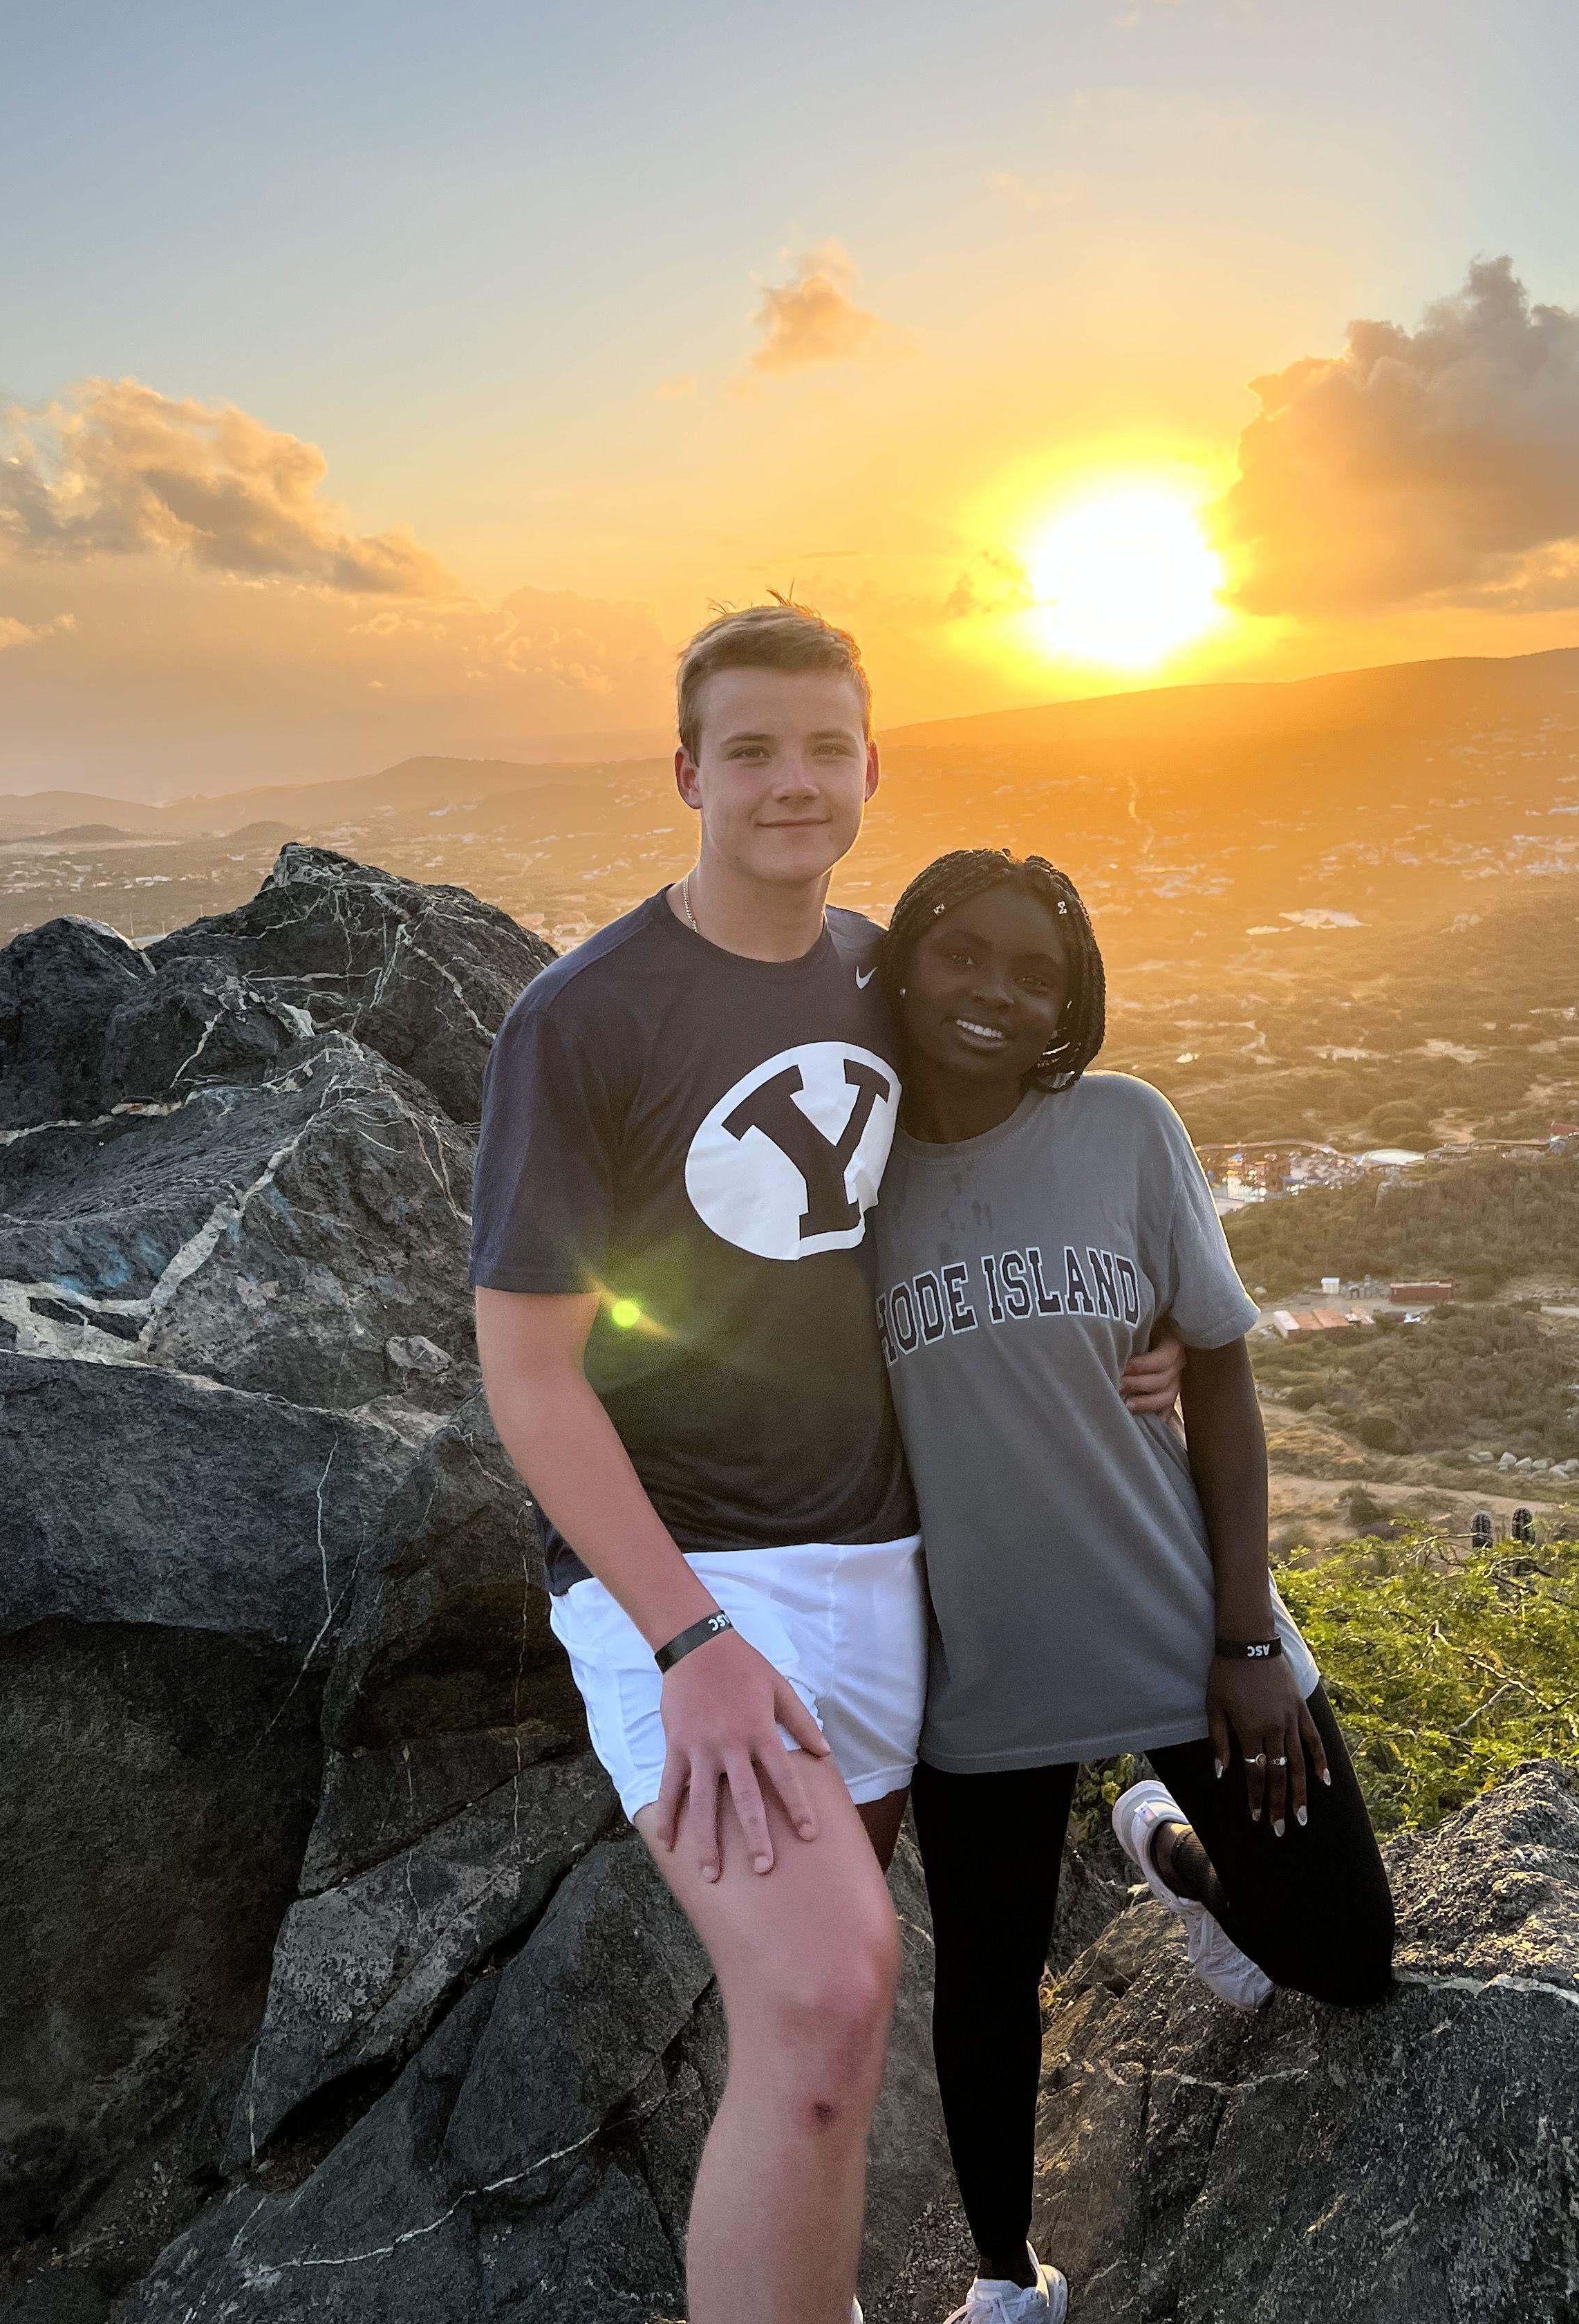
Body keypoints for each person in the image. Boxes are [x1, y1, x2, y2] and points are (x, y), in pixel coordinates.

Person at [469, 606, 1179, 2324]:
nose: (791, 782)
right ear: (687, 772)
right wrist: (690, 1642)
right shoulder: (584, 1021)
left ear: (872, 768)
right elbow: (531, 1376)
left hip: (884, 1566)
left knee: (817, 2046)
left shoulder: (884, 975)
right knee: (834, 1994)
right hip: (700, 1581)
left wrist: (1134, 1327)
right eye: (752, 750)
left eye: (823, 748)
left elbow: (995, 1186)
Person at [870, 848, 1399, 2324]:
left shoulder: (1122, 1127)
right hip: (981, 1671)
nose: (994, 992)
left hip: (1185, 1631)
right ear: (903, 961)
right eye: (961, 954)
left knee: (1348, 1956)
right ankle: (1003, 2285)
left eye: (1035, 974)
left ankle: (1177, 1860)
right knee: (989, 1988)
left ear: (1073, 1003)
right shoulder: (851, 1183)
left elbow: (1217, 1377)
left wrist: (1249, 1638)